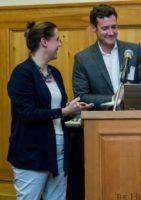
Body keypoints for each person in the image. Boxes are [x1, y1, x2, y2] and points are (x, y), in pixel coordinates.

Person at [7, 21, 94, 200]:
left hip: (59, 153)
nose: (60, 44)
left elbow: (57, 106)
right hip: (32, 155)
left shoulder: (55, 72)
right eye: (57, 39)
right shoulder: (21, 74)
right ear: (44, 42)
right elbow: (27, 114)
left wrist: (74, 109)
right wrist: (63, 111)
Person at [72, 4, 141, 110]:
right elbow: (81, 97)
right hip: (100, 122)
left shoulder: (134, 51)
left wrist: (132, 92)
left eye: (114, 27)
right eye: (105, 28)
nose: (111, 33)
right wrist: (114, 98)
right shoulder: (82, 59)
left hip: (133, 117)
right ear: (93, 28)